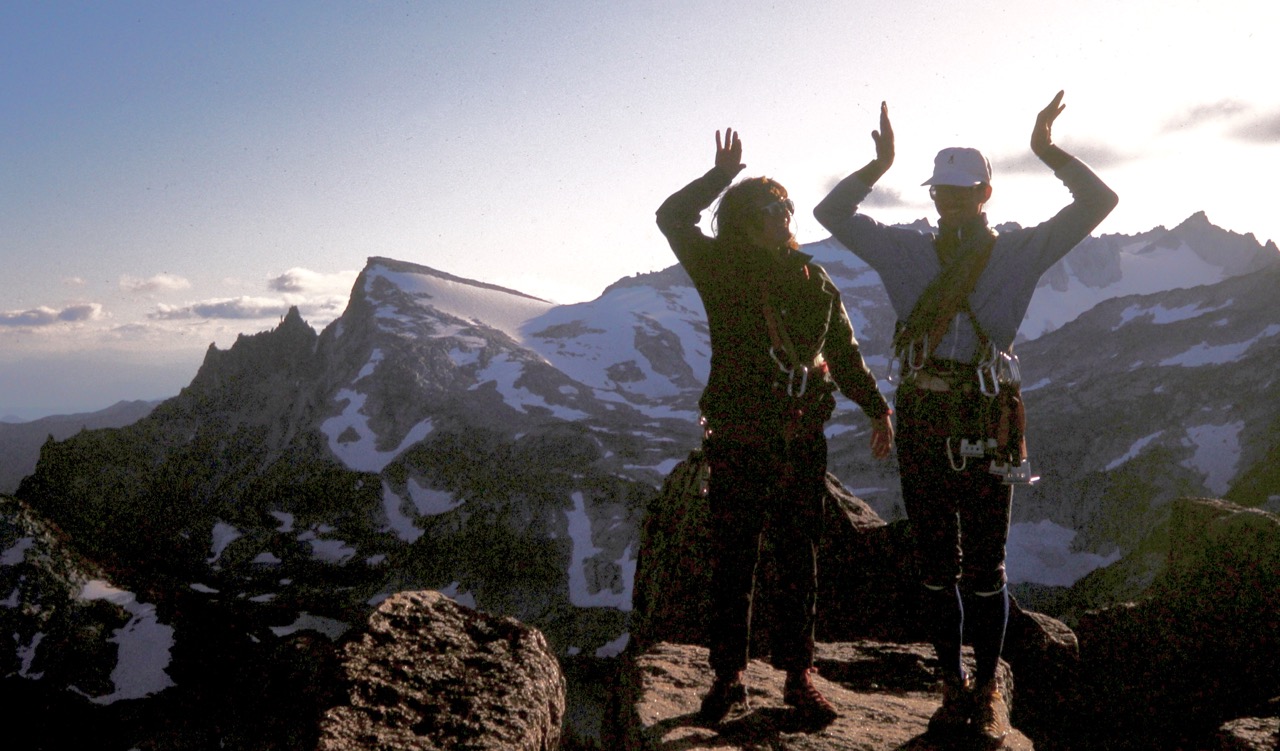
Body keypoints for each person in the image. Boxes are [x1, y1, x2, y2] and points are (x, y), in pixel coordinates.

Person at [813, 91, 1118, 744]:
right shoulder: (1022, 252)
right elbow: (1099, 204)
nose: (948, 203)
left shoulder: (901, 253)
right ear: (987, 193)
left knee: (936, 562)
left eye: (946, 194)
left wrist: (879, 166)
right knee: (986, 566)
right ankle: (982, 691)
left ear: (939, 197)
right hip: (986, 413)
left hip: (925, 411)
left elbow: (830, 212)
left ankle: (954, 685)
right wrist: (1047, 150)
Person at [657, 128, 895, 725]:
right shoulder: (722, 272)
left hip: (795, 440)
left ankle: (797, 677)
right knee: (736, 562)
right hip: (741, 438)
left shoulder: (814, 279)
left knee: (797, 561)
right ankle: (728, 679)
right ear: (743, 221)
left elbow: (843, 353)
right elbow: (671, 216)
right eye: (774, 209)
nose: (787, 215)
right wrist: (721, 177)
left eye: (787, 206)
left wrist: (877, 408)